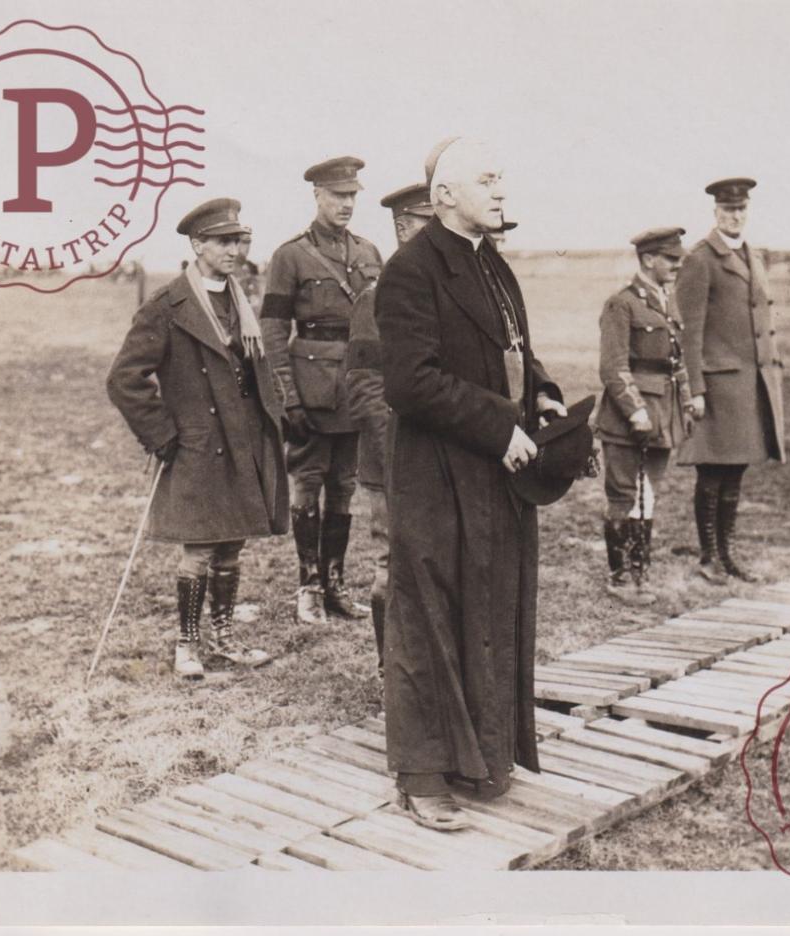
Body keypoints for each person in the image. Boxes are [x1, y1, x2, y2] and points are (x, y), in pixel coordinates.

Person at [376, 137, 565, 830]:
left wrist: (541, 394)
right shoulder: (409, 271)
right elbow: (410, 382)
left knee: (488, 609)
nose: (502, 191)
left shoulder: (494, 265)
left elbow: (515, 350)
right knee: (429, 619)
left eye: (502, 179)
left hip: (493, 473)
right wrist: (498, 425)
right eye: (487, 180)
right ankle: (422, 775)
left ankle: (481, 758)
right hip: (438, 474)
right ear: (445, 195)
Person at [106, 198, 289, 679]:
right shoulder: (167, 306)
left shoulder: (242, 299)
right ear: (197, 245)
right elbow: (124, 379)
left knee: (232, 542)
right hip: (199, 442)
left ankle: (225, 637)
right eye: (225, 241)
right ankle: (187, 645)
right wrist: (162, 434)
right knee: (200, 546)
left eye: (240, 240)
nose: (236, 250)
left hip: (244, 435)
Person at [260, 157, 383, 626]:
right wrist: (286, 395)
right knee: (307, 485)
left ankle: (335, 583)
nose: (347, 204)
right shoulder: (291, 256)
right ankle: (308, 585)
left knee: (345, 488)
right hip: (310, 390)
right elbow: (274, 331)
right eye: (338, 196)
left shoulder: (370, 252)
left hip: (356, 389)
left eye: (352, 195)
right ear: (318, 197)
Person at [675, 178, 786, 584]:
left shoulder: (751, 254)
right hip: (718, 387)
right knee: (712, 473)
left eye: (741, 209)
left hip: (747, 385)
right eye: (727, 209)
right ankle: (708, 558)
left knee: (735, 471)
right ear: (716, 212)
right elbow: (688, 331)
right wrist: (695, 390)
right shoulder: (701, 258)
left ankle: (727, 553)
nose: (735, 215)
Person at [343, 182, 434, 673]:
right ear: (402, 228)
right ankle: (390, 667)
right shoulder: (375, 300)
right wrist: (397, 456)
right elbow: (364, 388)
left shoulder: (441, 295)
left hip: (438, 456)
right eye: (425, 224)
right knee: (392, 564)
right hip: (392, 461)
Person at [595, 227, 693, 605]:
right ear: (648, 259)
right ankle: (620, 578)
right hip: (628, 420)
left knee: (647, 495)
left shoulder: (666, 302)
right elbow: (613, 366)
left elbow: (676, 360)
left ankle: (641, 574)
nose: (676, 265)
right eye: (670, 259)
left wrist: (686, 399)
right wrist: (635, 409)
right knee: (623, 495)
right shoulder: (621, 304)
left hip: (662, 414)